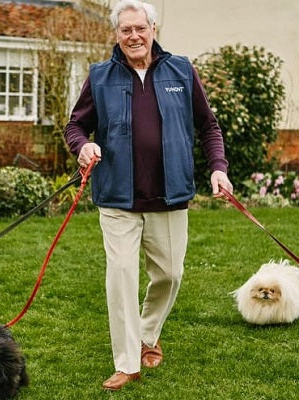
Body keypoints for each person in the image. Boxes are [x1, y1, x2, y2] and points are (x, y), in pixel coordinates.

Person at [64, 0, 233, 391]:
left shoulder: (181, 71)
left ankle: (147, 335)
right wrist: (83, 148)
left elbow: (208, 125)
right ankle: (127, 362)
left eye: (140, 28)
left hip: (170, 196)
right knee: (121, 277)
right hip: (118, 199)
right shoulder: (101, 76)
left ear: (153, 29)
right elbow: (76, 125)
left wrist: (218, 168)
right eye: (126, 30)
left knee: (170, 275)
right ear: (117, 35)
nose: (134, 36)